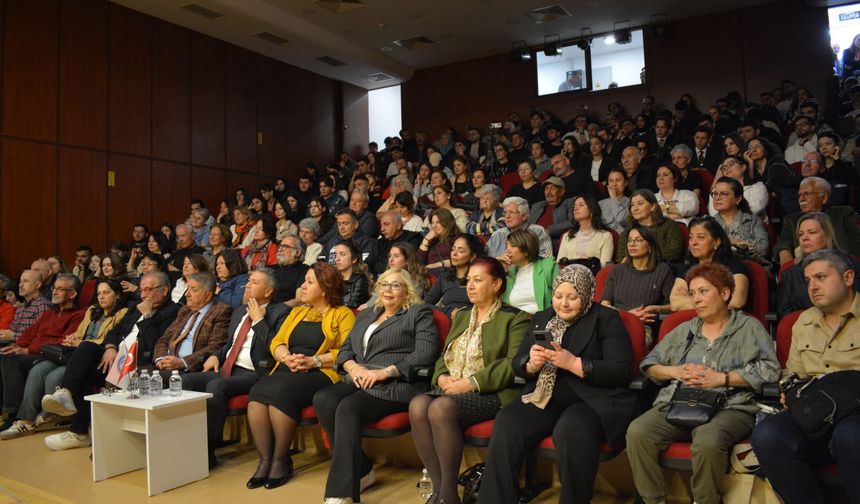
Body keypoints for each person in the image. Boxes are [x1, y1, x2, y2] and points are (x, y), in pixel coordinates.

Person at [478, 265, 637, 504]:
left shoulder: (605, 318)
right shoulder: (543, 317)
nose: (563, 303)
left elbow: (621, 371)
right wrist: (531, 363)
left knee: (571, 428)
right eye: (558, 296)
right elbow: (518, 363)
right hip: (546, 395)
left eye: (572, 297)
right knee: (508, 420)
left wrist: (574, 363)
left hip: (590, 399)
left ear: (585, 295)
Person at [409, 257, 529, 504]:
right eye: (469, 281)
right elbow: (445, 354)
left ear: (496, 284)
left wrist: (471, 383)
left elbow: (511, 364)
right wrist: (441, 377)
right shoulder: (462, 315)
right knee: (417, 405)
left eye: (478, 280)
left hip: (492, 392)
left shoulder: (515, 318)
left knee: (440, 408)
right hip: (453, 387)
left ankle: (449, 495)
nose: (470, 286)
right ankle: (440, 490)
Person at [314, 269, 438, 504]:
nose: (389, 290)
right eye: (384, 284)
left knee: (349, 408)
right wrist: (354, 368)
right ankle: (360, 469)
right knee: (324, 399)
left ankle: (342, 492)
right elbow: (346, 349)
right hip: (360, 378)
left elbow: (425, 352)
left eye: (396, 285)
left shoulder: (418, 313)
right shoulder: (366, 314)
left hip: (395, 382)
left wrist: (386, 371)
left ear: (407, 290)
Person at [752, 249, 860, 504]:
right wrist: (789, 393)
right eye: (809, 281)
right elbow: (793, 375)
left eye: (821, 277)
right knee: (767, 435)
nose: (813, 286)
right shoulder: (803, 321)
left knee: (850, 436)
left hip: (855, 411)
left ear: (848, 277)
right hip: (814, 411)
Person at [38, 272, 180, 449]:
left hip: (138, 364)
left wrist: (148, 317)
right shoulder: (137, 307)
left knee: (86, 373)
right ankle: (66, 395)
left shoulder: (173, 311)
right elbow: (114, 331)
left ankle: (79, 431)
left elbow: (156, 345)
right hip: (116, 358)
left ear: (165, 290)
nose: (143, 295)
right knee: (86, 348)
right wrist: (110, 348)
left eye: (148, 290)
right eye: (141, 290)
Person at [244, 263, 353, 489]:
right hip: (289, 367)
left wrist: (314, 360)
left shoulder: (342, 314)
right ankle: (265, 460)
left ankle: (280, 460)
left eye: (309, 282)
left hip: (322, 371)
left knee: (280, 392)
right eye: (304, 280)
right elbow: (278, 341)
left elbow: (347, 351)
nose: (302, 286)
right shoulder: (297, 311)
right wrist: (286, 358)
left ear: (325, 288)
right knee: (257, 392)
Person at [181, 269, 289, 469]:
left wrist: (259, 320)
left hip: (255, 373)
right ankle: (186, 443)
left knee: (217, 386)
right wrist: (216, 355)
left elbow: (275, 346)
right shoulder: (240, 310)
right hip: (227, 368)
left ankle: (208, 450)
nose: (247, 285)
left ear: (268, 292)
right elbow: (229, 344)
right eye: (248, 281)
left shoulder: (280, 312)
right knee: (186, 381)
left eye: (254, 282)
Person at [1, 279, 127, 440]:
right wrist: (72, 339)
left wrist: (80, 343)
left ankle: (47, 414)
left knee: (54, 376)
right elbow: (80, 331)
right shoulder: (92, 310)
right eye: (99, 293)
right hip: (73, 351)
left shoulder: (122, 312)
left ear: (117, 295)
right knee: (37, 370)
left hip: (92, 354)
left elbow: (107, 339)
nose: (101, 297)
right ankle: (26, 420)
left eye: (106, 293)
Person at [1, 274, 84, 427]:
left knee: (12, 361)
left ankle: (14, 413)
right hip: (35, 352)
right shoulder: (49, 313)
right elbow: (30, 332)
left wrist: (27, 350)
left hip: (50, 356)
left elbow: (62, 342)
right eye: (54, 288)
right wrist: (17, 345)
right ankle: (8, 411)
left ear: (72, 294)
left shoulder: (78, 315)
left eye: (60, 289)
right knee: (6, 355)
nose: (54, 292)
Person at [601, 225, 674, 343]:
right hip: (614, 321)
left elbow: (674, 305)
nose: (632, 244)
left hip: (643, 327)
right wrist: (627, 315)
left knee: (621, 343)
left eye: (638, 240)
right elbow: (604, 304)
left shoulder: (662, 270)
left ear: (650, 245)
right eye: (629, 240)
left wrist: (657, 308)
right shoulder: (617, 270)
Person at [777, 213, 860, 316]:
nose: (804, 238)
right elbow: (785, 317)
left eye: (811, 232)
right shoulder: (789, 276)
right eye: (801, 234)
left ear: (827, 234)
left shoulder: (853, 267)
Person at [151, 272, 232, 376]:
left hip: (191, 369)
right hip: (168, 365)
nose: (186, 294)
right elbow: (164, 339)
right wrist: (160, 359)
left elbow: (215, 346)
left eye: (193, 289)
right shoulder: (185, 310)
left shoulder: (221, 311)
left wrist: (183, 362)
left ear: (207, 296)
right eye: (187, 288)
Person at [669, 215, 751, 312]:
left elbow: (737, 301)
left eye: (701, 237)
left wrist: (690, 298)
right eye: (691, 237)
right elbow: (675, 303)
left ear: (716, 242)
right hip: (692, 323)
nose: (693, 243)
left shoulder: (733, 266)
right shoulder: (687, 268)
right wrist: (717, 299)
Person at [774, 176, 860, 264]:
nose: (801, 199)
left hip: (841, 265)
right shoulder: (791, 220)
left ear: (824, 198)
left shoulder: (843, 214)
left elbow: (857, 244)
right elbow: (783, 244)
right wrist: (784, 255)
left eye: (807, 193)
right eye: (799, 195)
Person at [424, 233, 486, 316]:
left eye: (460, 251)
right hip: (447, 321)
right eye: (453, 249)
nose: (454, 254)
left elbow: (487, 306)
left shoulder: (480, 277)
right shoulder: (445, 277)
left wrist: (462, 314)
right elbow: (426, 303)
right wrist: (447, 312)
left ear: (473, 256)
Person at [615, 189, 684, 264]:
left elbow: (673, 254)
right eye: (632, 205)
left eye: (640, 204)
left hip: (663, 270)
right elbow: (621, 259)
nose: (635, 209)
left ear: (653, 206)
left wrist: (642, 258)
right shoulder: (627, 231)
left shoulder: (670, 226)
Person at [710, 177, 770, 263]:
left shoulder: (753, 220)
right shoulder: (708, 223)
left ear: (738, 199)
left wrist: (743, 245)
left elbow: (764, 249)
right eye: (715, 194)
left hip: (749, 267)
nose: (717, 198)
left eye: (723, 194)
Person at [502, 229, 560, 315]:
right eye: (507, 246)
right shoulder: (508, 273)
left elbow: (562, 296)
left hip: (542, 322)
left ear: (526, 249)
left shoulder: (549, 267)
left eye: (513, 246)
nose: (507, 250)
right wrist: (497, 267)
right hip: (515, 324)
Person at [745, 137, 800, 216]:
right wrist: (750, 164)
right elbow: (751, 188)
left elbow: (770, 186)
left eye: (758, 146)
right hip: (772, 203)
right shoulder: (754, 171)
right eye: (750, 148)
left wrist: (769, 190)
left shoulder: (776, 161)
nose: (753, 150)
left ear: (766, 149)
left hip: (791, 197)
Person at [487, 197, 553, 260]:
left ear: (524, 216)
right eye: (505, 212)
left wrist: (517, 262)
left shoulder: (538, 231)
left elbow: (546, 258)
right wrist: (496, 261)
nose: (507, 216)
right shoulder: (498, 234)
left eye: (512, 212)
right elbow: (484, 258)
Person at [558, 195, 614, 267]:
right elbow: (560, 264)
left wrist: (585, 264)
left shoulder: (606, 236)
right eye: (574, 206)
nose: (575, 208)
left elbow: (604, 267)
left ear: (592, 210)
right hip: (569, 276)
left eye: (581, 205)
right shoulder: (567, 235)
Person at [0, 270, 50, 343]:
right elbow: (11, 331)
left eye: (25, 281)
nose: (20, 285)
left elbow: (42, 336)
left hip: (29, 351)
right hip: (14, 347)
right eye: (20, 281)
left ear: (38, 285)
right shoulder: (22, 306)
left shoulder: (42, 305)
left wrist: (14, 336)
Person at [271, 233, 310, 306]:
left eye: (285, 246)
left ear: (298, 252)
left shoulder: (304, 270)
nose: (280, 249)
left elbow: (299, 300)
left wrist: (274, 309)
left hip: (283, 312)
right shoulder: (271, 268)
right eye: (280, 246)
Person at [333, 240, 371, 310]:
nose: (337, 259)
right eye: (336, 255)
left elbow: (353, 305)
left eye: (342, 254)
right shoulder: (332, 277)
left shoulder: (361, 280)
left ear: (354, 259)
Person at [600, 168, 631, 234]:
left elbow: (622, 220)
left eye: (618, 180)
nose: (614, 184)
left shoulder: (631, 202)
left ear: (625, 183)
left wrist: (614, 198)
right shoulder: (600, 204)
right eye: (611, 181)